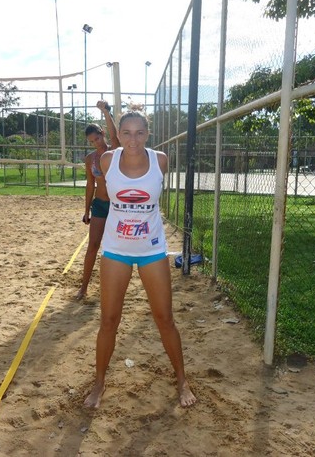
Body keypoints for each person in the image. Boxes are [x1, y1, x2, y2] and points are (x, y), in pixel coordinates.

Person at [84, 109, 196, 409]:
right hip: (116, 249)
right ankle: (99, 383)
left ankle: (182, 380)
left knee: (165, 319)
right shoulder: (108, 161)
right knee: (109, 320)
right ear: (117, 135)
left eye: (140, 133)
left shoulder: (160, 160)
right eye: (127, 133)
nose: (133, 139)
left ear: (148, 134)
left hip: (151, 249)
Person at [75, 100, 120, 301]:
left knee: (116, 248)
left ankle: (114, 286)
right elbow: (89, 185)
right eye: (92, 141)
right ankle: (83, 287)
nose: (97, 142)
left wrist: (105, 112)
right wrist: (87, 210)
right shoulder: (90, 159)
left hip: (118, 207)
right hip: (100, 205)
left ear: (102, 133)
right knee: (93, 245)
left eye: (98, 138)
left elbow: (114, 135)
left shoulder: (115, 150)